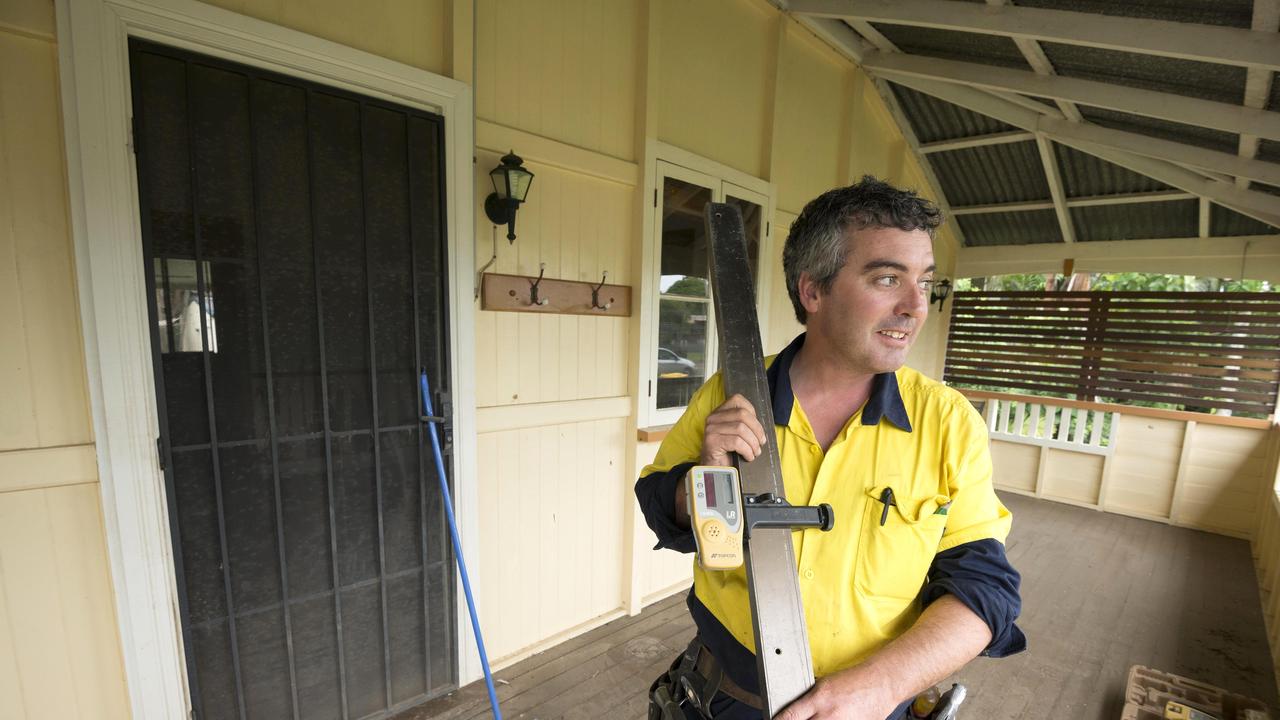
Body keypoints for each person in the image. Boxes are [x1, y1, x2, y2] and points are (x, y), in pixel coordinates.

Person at [636, 176, 1025, 720]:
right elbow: (660, 505)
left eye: (925, 282)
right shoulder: (729, 394)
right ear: (812, 290)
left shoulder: (948, 423)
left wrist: (883, 685)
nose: (916, 306)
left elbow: (985, 587)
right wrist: (706, 479)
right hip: (721, 702)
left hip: (875, 706)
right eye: (888, 278)